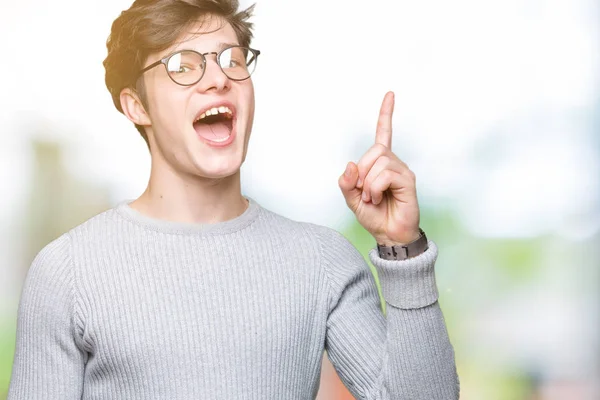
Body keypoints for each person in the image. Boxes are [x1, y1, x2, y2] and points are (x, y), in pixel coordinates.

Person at [7, 0, 459, 398]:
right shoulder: (68, 272)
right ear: (136, 106)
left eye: (232, 59)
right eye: (183, 65)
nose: (218, 79)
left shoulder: (321, 261)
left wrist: (404, 248)